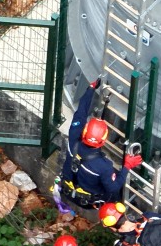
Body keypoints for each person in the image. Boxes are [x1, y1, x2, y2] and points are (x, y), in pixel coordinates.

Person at [52, 78, 142, 215]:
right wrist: (127, 166)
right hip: (90, 202)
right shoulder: (104, 166)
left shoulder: (74, 137)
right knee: (117, 185)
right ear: (103, 141)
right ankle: (119, 213)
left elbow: (80, 113)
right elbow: (112, 188)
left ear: (84, 133)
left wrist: (90, 89)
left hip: (68, 191)